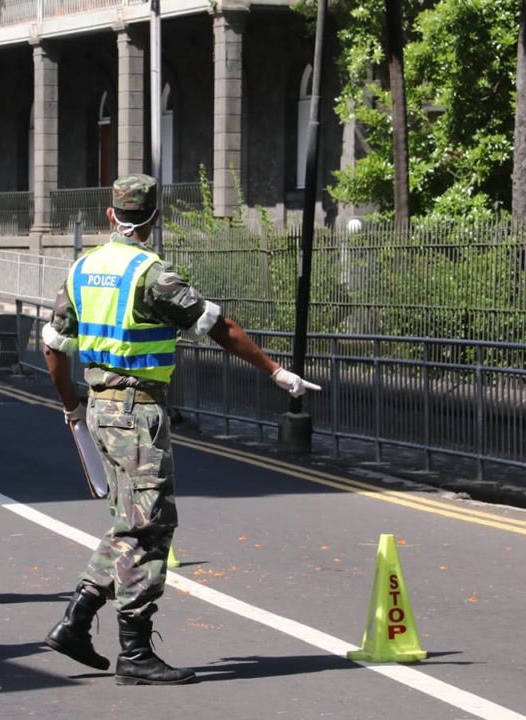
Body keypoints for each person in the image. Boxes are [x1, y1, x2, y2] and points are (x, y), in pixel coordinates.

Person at [41, 175, 321, 686]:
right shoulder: (153, 274)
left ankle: (76, 621)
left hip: (101, 408)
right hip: (137, 409)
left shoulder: (82, 269)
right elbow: (219, 327)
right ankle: (134, 650)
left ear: (110, 215)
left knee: (132, 521)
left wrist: (73, 409)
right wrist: (276, 372)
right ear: (153, 220)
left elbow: (52, 347)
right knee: (151, 527)